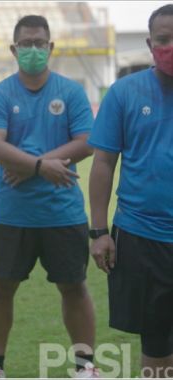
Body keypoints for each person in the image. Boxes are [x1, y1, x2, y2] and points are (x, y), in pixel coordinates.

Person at [0, 15, 98, 378]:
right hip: (11, 212)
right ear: (14, 50)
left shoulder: (71, 92)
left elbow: (86, 142)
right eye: (26, 44)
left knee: (74, 287)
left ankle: (85, 365)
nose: (33, 50)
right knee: (1, 288)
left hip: (63, 212)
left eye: (39, 43)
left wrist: (33, 164)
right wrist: (40, 166)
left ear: (51, 47)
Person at [88, 4, 173, 378]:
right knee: (156, 343)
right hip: (143, 236)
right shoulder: (124, 93)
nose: (170, 46)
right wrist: (100, 231)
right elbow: (103, 163)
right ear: (149, 43)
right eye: (164, 40)